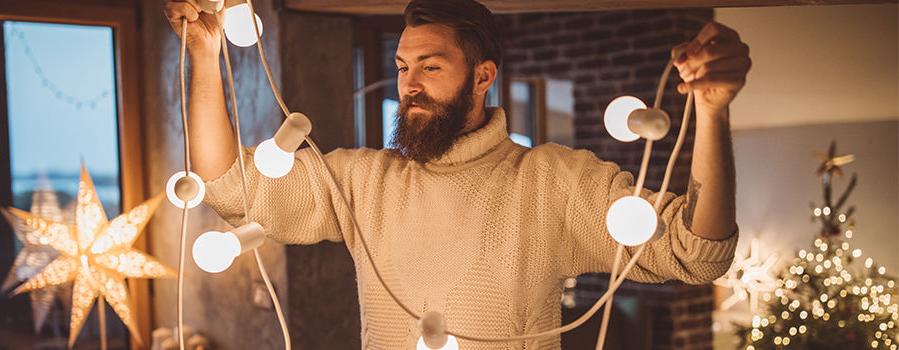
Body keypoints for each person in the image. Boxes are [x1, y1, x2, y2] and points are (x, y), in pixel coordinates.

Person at [164, 0, 749, 348]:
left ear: (482, 75)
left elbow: (699, 251)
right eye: (401, 67)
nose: (408, 86)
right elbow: (229, 187)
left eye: (431, 66)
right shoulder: (365, 183)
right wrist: (202, 53)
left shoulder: (549, 183)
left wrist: (715, 108)